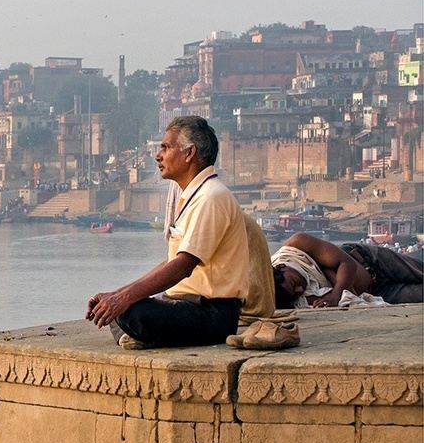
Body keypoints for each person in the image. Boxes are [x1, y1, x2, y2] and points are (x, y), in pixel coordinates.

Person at [86, 116, 248, 349]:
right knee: (120, 309)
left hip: (212, 314)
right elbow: (172, 262)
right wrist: (116, 294)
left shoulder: (212, 196)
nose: (158, 156)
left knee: (132, 312)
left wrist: (123, 298)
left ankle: (141, 334)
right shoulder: (195, 196)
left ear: (189, 153)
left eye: (165, 147)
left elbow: (183, 266)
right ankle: (139, 333)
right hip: (186, 305)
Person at [272, 234, 423, 308]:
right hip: (379, 293)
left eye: (294, 283)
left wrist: (336, 295)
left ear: (281, 267)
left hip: (373, 260)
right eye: (295, 293)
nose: (299, 290)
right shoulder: (294, 299)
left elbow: (346, 263)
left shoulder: (298, 244)